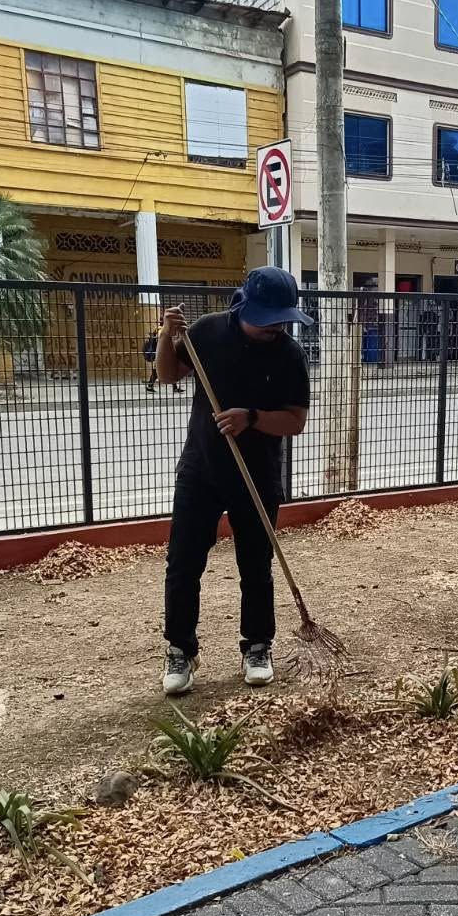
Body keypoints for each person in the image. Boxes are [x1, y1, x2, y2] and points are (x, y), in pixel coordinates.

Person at [154, 267, 312, 696]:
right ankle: (180, 649)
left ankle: (257, 646)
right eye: (267, 319)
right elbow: (167, 375)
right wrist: (167, 336)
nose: (275, 327)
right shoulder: (206, 332)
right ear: (243, 308)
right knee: (183, 564)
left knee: (256, 565)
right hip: (200, 470)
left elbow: (295, 421)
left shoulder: (290, 355)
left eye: (281, 319)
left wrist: (252, 418)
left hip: (257, 474)